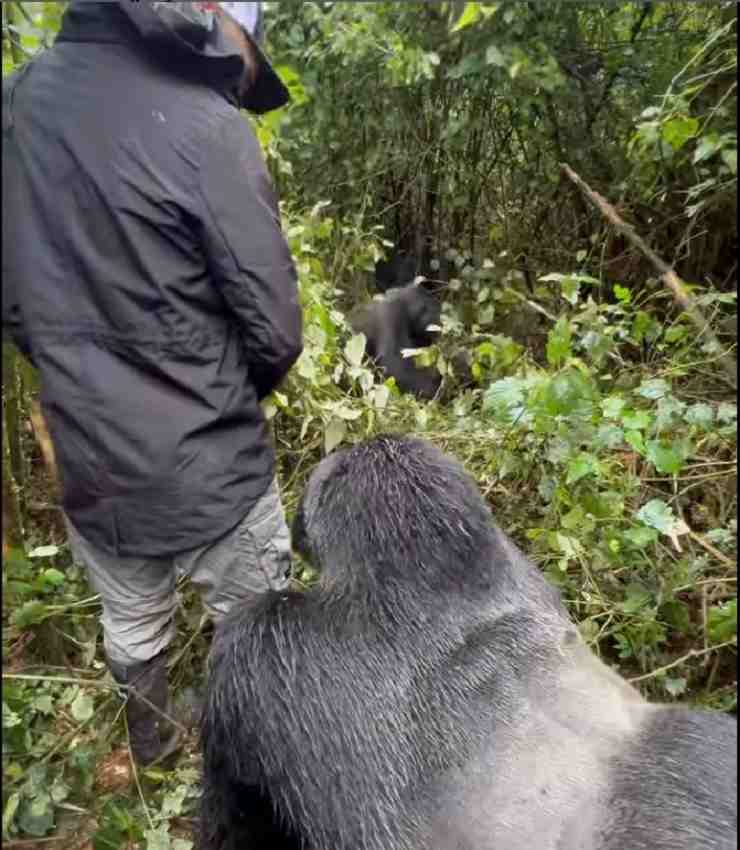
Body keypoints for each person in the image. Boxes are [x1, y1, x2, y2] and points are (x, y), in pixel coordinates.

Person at [2, 1, 303, 766]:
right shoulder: (208, 127)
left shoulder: (18, 105)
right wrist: (215, 400)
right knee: (257, 620)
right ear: (206, 16)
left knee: (132, 622)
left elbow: (13, 300)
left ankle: (156, 758)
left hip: (91, 455)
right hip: (213, 463)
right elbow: (275, 332)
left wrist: (80, 377)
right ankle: (259, 771)